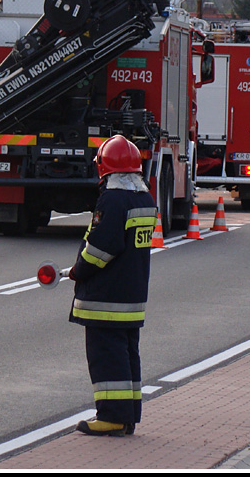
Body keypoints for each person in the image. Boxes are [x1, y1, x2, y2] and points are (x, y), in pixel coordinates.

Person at [69, 135, 159, 437]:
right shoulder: (145, 199)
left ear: (103, 168)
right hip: (132, 296)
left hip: (105, 297)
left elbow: (101, 247)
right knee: (127, 355)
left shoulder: (112, 200)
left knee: (106, 357)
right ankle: (128, 414)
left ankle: (110, 416)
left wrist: (78, 271)